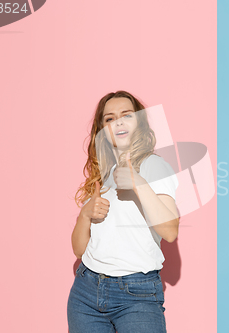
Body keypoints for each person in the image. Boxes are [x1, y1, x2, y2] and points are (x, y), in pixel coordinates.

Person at [67, 91, 179, 333]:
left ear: (139, 123)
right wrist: (85, 214)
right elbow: (79, 249)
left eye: (126, 115)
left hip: (137, 293)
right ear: (103, 129)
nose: (118, 122)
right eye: (109, 118)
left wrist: (138, 183)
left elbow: (170, 231)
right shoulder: (102, 174)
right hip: (86, 291)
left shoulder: (155, 166)